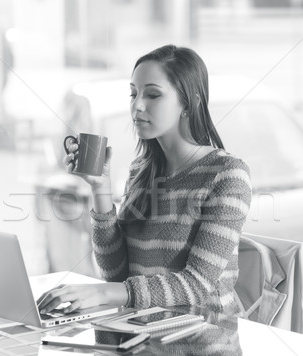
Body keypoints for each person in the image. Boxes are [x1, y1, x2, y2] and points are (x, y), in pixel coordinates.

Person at [37, 44, 252, 316]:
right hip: (144, 334)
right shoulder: (141, 171)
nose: (137, 105)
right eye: (133, 93)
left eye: (152, 95)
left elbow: (197, 284)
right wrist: (99, 188)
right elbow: (116, 275)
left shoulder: (227, 174)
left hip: (206, 339)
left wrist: (102, 294)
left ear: (190, 103)